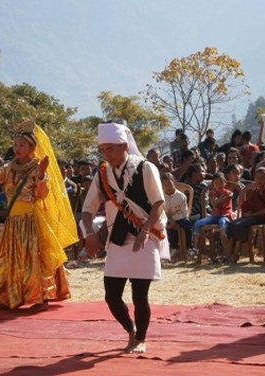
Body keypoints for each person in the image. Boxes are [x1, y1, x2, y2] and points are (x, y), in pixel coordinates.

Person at [82, 122, 167, 354]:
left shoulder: (146, 168)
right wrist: (89, 234)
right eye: (102, 150)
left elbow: (159, 202)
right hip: (118, 237)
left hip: (145, 235)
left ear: (123, 146)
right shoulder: (102, 173)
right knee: (111, 295)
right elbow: (88, 209)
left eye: (110, 149)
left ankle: (141, 339)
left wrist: (145, 230)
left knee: (140, 295)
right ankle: (130, 331)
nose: (106, 154)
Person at [0, 120, 77, 309]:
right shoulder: (10, 167)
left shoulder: (37, 166)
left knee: (35, 259)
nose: (17, 148)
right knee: (9, 259)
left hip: (31, 220)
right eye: (16, 144)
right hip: (13, 221)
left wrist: (42, 175)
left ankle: (40, 296)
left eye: (22, 145)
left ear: (32, 147)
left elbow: (42, 195)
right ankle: (9, 294)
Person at [192, 172, 233, 251]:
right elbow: (215, 204)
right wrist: (223, 198)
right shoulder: (212, 193)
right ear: (213, 184)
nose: (219, 185)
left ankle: (226, 251)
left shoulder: (228, 193)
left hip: (225, 216)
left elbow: (217, 202)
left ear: (225, 182)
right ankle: (195, 249)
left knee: (223, 225)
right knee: (198, 223)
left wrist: (220, 199)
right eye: (216, 183)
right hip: (214, 216)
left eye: (221, 182)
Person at [161, 172, 192, 259]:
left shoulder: (181, 196)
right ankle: (173, 247)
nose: (168, 187)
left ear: (174, 182)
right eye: (165, 185)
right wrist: (169, 220)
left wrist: (175, 222)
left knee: (187, 224)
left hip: (180, 218)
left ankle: (189, 247)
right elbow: (160, 210)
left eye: (169, 184)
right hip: (166, 219)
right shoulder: (161, 196)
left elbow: (184, 213)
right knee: (167, 227)